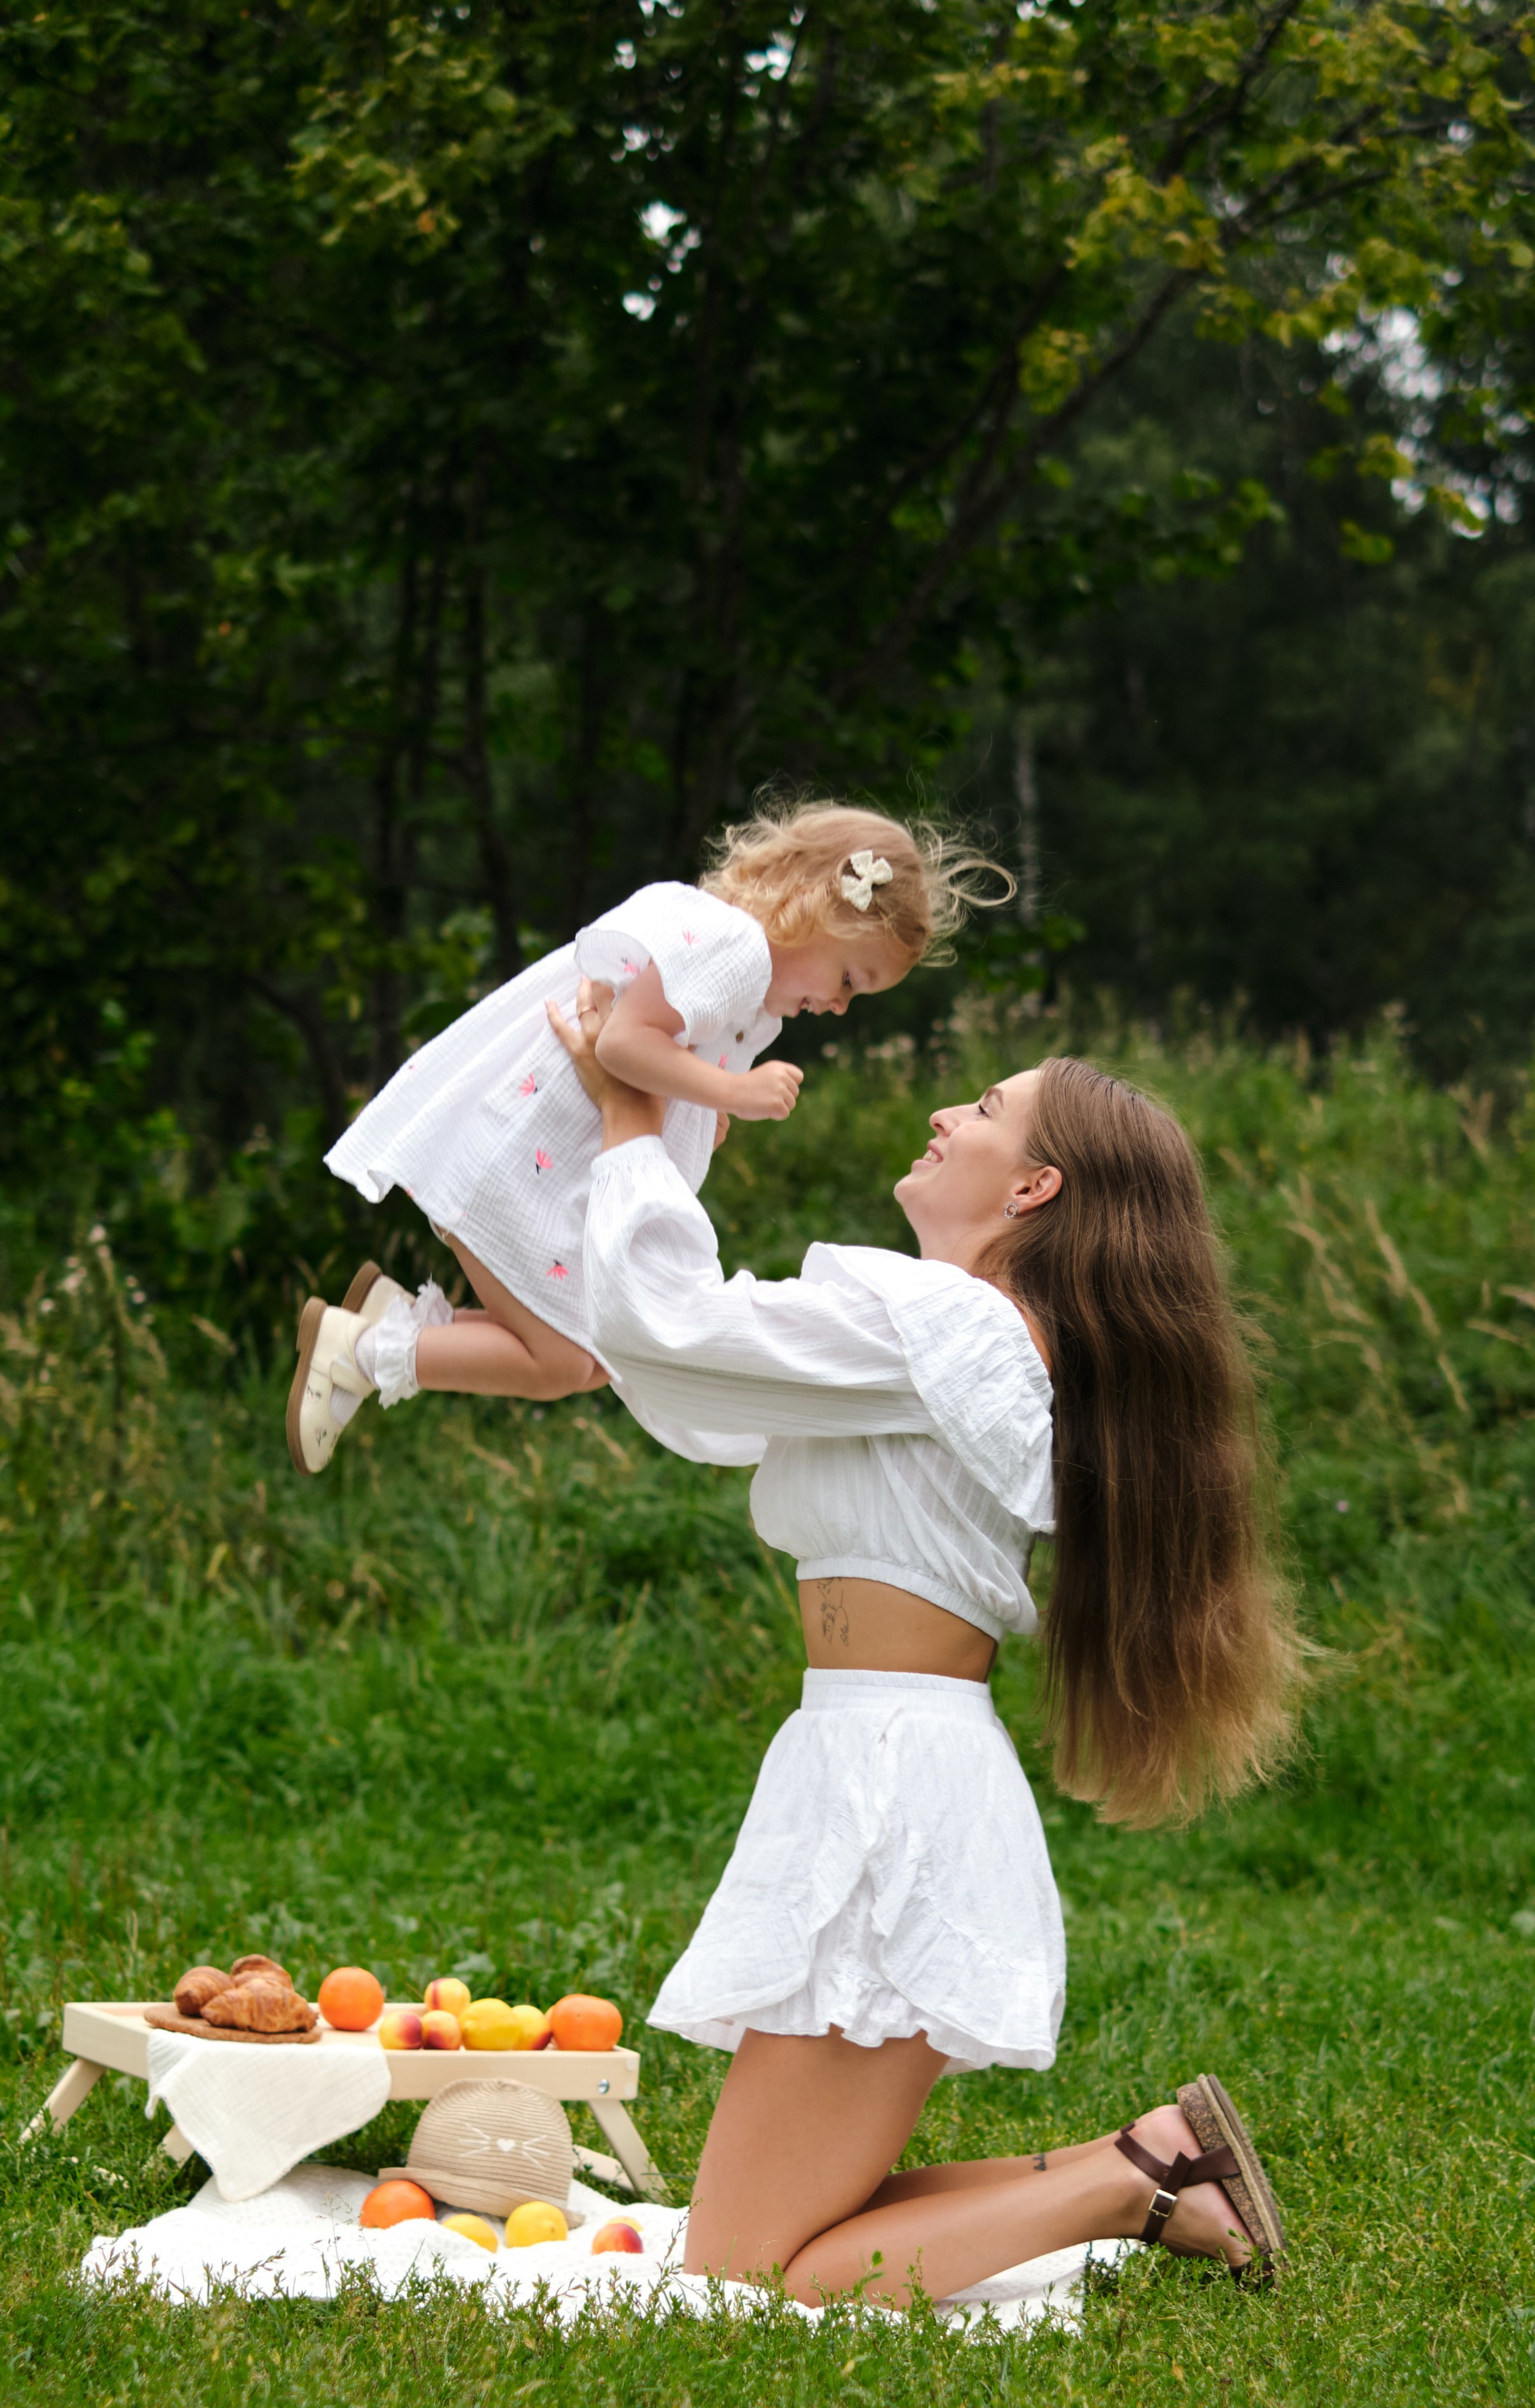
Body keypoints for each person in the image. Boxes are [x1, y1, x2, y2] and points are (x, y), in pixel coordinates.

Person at [549, 980, 1300, 2306]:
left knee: (744, 2281)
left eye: (987, 1107)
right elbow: (699, 1391)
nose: (948, 1112)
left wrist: (630, 1116)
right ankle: (1143, 2164)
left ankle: (1127, 2182)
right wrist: (652, 1131)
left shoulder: (952, 1329)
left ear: (1033, 1188)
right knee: (754, 2246)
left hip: (890, 1789)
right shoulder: (946, 1340)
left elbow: (668, 1327)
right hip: (878, 1764)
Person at [285, 802, 1008, 1473]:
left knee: (597, 1356)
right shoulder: (734, 946)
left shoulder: (748, 993)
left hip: (541, 1167)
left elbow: (662, 1059)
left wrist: (704, 1112)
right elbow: (622, 1045)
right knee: (561, 1362)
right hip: (518, 1162)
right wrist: (734, 1093)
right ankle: (360, 1352)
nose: (842, 1006)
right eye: (849, 978)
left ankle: (389, 1327)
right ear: (818, 906)